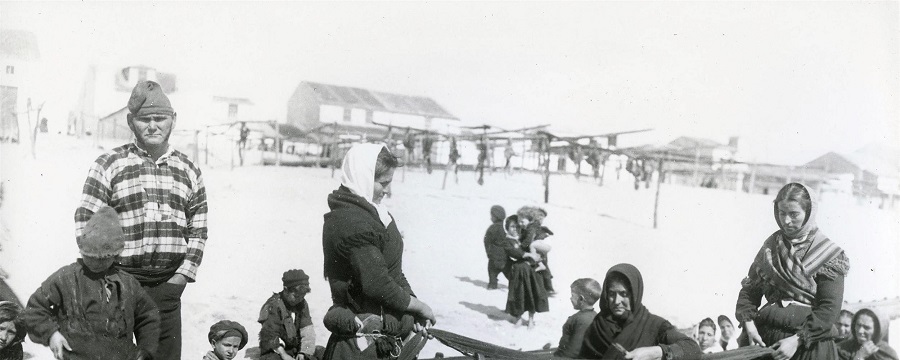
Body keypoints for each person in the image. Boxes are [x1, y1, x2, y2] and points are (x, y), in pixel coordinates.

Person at [74, 80, 208, 360]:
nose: (153, 126)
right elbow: (87, 223)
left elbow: (198, 228)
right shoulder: (109, 164)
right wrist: (104, 275)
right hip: (118, 284)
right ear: (130, 122)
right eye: (144, 119)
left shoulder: (188, 169)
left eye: (160, 118)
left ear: (173, 120)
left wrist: (182, 276)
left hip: (166, 287)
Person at [321, 143, 436, 360]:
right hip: (359, 345)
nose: (387, 191)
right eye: (383, 183)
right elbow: (377, 283)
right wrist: (420, 307)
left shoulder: (376, 214)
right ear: (363, 178)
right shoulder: (350, 222)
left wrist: (411, 307)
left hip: (387, 336)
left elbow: (394, 272)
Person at [24, 206, 160, 360]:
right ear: (82, 251)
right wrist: (51, 334)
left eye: (103, 259)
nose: (96, 263)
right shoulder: (66, 278)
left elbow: (148, 317)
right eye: (91, 257)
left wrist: (146, 350)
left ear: (115, 255)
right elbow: (34, 309)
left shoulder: (128, 284)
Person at [735, 183, 849, 360]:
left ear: (809, 213)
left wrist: (797, 340)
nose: (786, 221)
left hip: (808, 347)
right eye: (782, 213)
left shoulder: (829, 254)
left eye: (794, 214)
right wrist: (748, 324)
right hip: (766, 339)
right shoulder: (771, 247)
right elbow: (750, 290)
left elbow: (829, 309)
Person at [580, 263, 701, 360]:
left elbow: (692, 348)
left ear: (635, 294)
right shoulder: (598, 325)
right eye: (612, 294)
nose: (617, 301)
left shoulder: (654, 325)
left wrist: (656, 352)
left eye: (624, 294)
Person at [258, 269, 317, 360]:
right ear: (286, 290)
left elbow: (307, 329)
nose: (299, 299)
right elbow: (270, 335)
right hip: (276, 349)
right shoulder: (273, 305)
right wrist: (284, 355)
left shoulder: (302, 304)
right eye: (296, 296)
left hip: (295, 348)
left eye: (302, 296)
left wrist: (304, 352)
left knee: (321, 353)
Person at [503, 213, 549, 329]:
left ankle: (531, 320)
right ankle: (518, 318)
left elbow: (538, 249)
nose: (515, 229)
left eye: (517, 226)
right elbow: (514, 252)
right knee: (518, 295)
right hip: (518, 273)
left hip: (532, 271)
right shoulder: (507, 241)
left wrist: (538, 257)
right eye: (512, 226)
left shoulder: (524, 236)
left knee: (532, 294)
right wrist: (528, 254)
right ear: (507, 228)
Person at [554, 278, 602, 358]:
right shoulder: (594, 315)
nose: (570, 298)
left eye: (572, 295)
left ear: (581, 299)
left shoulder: (581, 320)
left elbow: (574, 351)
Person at [484, 205, 509, 290]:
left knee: (492, 270)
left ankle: (492, 284)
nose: (491, 218)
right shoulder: (505, 227)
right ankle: (515, 284)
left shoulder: (492, 228)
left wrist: (488, 252)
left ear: (495, 217)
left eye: (492, 216)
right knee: (507, 271)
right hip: (505, 255)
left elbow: (487, 241)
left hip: (494, 255)